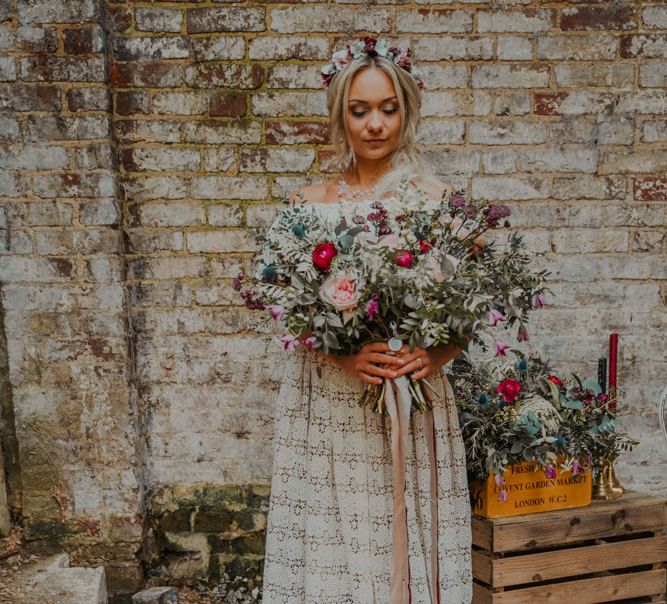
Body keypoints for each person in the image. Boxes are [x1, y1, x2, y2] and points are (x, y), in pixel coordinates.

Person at [261, 37, 472, 603]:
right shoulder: (307, 205)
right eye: (360, 110)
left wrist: (437, 356)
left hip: (413, 392)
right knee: (336, 534)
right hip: (331, 397)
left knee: (406, 523)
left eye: (387, 108)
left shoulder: (439, 202)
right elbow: (287, 306)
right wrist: (343, 354)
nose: (374, 124)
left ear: (407, 112)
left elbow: (470, 308)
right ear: (340, 117)